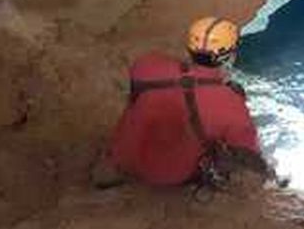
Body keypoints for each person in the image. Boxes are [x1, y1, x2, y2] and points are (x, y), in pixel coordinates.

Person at [92, 16, 278, 191]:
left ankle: (112, 164)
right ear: (229, 55)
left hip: (125, 161)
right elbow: (247, 153)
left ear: (190, 48)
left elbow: (139, 95)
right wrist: (268, 171)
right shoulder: (230, 102)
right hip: (171, 176)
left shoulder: (146, 65)